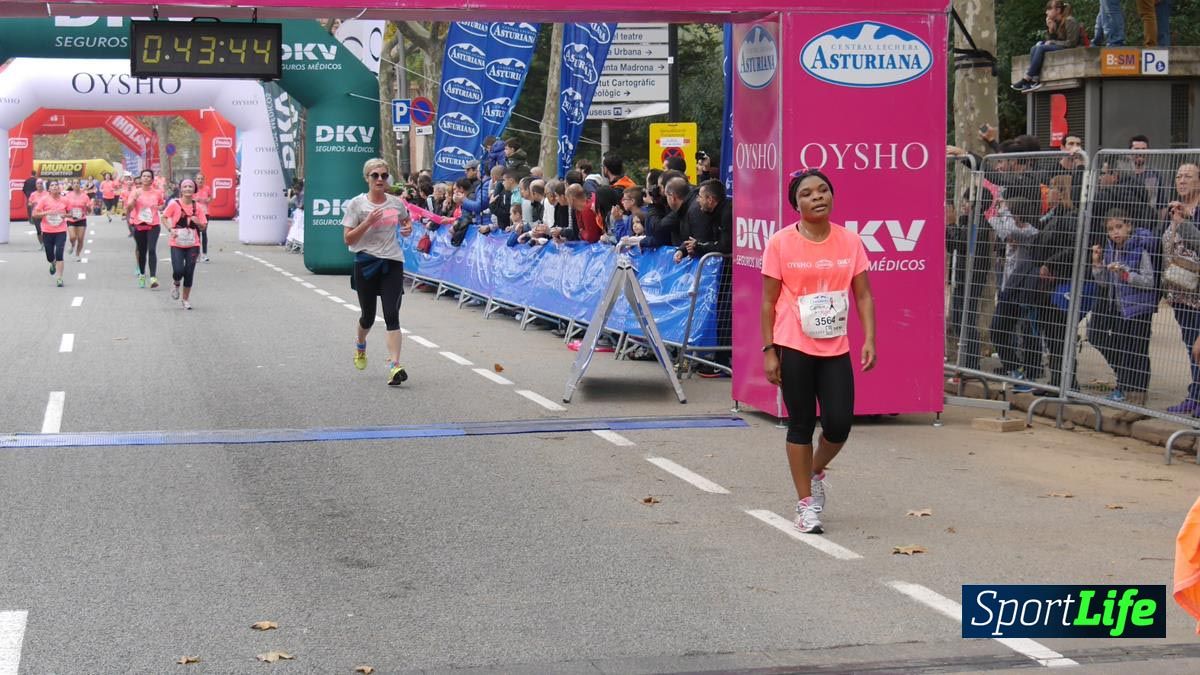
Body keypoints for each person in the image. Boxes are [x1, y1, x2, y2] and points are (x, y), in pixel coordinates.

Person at [761, 169, 876, 535]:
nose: (817, 197)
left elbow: (863, 294)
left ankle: (812, 471)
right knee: (801, 423)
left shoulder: (849, 241)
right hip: (793, 342)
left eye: (823, 190)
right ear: (795, 203)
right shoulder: (780, 243)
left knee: (839, 424)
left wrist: (870, 338)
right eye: (807, 193)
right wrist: (768, 350)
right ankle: (806, 504)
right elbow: (767, 302)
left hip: (835, 344)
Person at [343, 158, 414, 386]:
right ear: (367, 178)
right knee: (368, 316)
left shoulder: (395, 203)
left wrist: (407, 228)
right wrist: (367, 223)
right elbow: (348, 238)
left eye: (384, 175)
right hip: (366, 262)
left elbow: (406, 220)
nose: (380, 179)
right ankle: (360, 345)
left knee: (392, 316)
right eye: (375, 175)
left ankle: (394, 366)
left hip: (392, 262)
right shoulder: (356, 205)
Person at [1088, 208, 1157, 403]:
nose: (1115, 232)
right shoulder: (1111, 248)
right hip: (1119, 306)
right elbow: (1104, 282)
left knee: (1137, 350)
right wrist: (1097, 265)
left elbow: (1149, 280)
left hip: (1139, 307)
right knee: (1123, 347)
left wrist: (1125, 274)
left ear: (1129, 225)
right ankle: (1125, 386)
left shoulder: (1140, 247)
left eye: (1119, 227)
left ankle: (1138, 393)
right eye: (1110, 229)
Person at [1163, 164, 1200, 416]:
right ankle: (1195, 396)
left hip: (1198, 292)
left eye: (1188, 176)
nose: (1182, 180)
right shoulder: (1174, 208)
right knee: (1190, 347)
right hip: (1179, 292)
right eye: (1178, 176)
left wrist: (1184, 223)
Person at [1013, 1, 1082, 92]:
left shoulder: (1069, 20)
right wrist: (1051, 29)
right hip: (1061, 47)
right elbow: (1052, 41)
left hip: (1071, 48)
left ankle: (1027, 78)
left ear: (1058, 10)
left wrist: (1052, 42)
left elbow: (1072, 43)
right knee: (1035, 48)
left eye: (1049, 9)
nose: (1046, 12)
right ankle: (1035, 80)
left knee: (1041, 48)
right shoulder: (1056, 22)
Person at [163, 178, 208, 309]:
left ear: (194, 189)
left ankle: (185, 299)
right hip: (176, 243)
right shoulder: (174, 204)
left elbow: (203, 227)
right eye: (185, 186)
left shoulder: (197, 207)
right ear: (181, 189)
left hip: (193, 244)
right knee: (178, 270)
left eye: (190, 186)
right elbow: (164, 217)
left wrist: (197, 222)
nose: (188, 188)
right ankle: (176, 282)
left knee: (189, 272)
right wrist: (170, 229)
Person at [125, 169, 166, 289]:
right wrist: (134, 199)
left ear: (152, 179)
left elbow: (162, 203)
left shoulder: (157, 193)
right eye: (144, 176)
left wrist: (159, 207)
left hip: (153, 225)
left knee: (152, 249)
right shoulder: (135, 192)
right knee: (142, 251)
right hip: (140, 224)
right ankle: (142, 274)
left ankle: (153, 277)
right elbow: (129, 208)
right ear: (141, 178)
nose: (146, 178)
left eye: (149, 176)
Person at [31, 180, 69, 287]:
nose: (55, 187)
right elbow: (35, 214)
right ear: (49, 189)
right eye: (52, 185)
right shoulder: (44, 200)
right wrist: (46, 212)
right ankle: (52, 263)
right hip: (47, 231)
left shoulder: (65, 200)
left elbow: (72, 213)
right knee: (50, 256)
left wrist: (65, 215)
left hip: (61, 231)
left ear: (59, 188)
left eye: (56, 185)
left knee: (59, 255)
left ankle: (59, 278)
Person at [64, 181, 90, 261]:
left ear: (80, 185)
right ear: (72, 185)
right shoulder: (68, 195)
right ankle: (72, 245)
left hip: (81, 219)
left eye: (77, 183)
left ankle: (77, 254)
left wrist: (87, 207)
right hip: (71, 219)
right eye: (74, 183)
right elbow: (64, 207)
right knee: (72, 237)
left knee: (80, 238)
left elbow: (89, 210)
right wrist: (66, 213)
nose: (76, 185)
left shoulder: (85, 196)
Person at [194, 172, 213, 262]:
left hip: (205, 213)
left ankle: (204, 254)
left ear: (204, 180)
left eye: (201, 179)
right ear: (195, 180)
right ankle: (197, 254)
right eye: (198, 179)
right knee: (196, 233)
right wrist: (195, 200)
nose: (200, 180)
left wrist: (206, 200)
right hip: (195, 213)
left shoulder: (207, 188)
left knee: (204, 232)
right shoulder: (193, 188)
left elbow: (210, 198)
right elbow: (188, 199)